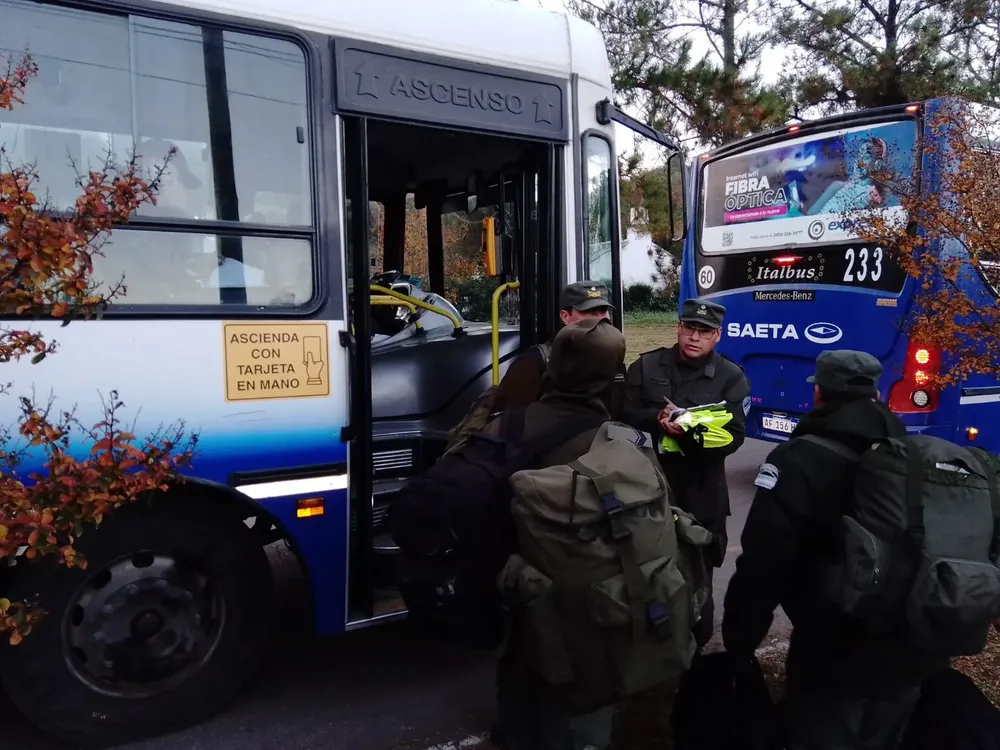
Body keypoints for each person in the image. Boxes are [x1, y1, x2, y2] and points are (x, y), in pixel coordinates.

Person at [722, 350, 948, 750]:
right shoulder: (913, 457)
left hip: (830, 651)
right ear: (876, 395)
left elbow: (763, 563)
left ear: (818, 395)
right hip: (909, 647)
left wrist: (739, 645)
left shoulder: (799, 459)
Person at [488, 316, 626, 750]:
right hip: (588, 612)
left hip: (517, 586)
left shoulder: (505, 425)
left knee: (521, 670)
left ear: (551, 372)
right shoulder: (622, 445)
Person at [622, 296, 749, 647]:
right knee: (642, 571)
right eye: (689, 328)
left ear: (717, 336)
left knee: (696, 580)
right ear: (679, 328)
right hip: (645, 488)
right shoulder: (646, 367)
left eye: (704, 331)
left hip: (701, 493)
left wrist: (691, 432)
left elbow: (734, 438)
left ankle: (694, 654)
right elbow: (622, 413)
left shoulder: (730, 378)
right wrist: (657, 420)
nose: (695, 337)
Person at [492, 280, 614, 412]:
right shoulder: (534, 362)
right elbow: (509, 421)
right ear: (565, 316)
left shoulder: (611, 356)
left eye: (602, 310)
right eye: (588, 311)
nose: (598, 317)